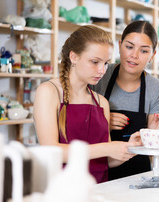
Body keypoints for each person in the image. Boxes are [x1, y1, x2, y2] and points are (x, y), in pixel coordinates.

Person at [34, 25, 142, 183]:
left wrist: (129, 149)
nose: (102, 70)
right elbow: (51, 150)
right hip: (62, 193)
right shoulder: (49, 92)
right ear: (74, 57)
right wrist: (107, 148)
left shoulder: (101, 102)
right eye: (95, 62)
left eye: (105, 63)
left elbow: (104, 162)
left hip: (99, 190)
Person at [91, 21, 159, 180]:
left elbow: (152, 145)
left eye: (144, 51)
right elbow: (78, 128)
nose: (134, 55)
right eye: (129, 47)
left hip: (139, 176)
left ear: (153, 55)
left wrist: (158, 134)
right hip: (99, 172)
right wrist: (103, 120)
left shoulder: (157, 90)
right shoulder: (98, 76)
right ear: (120, 45)